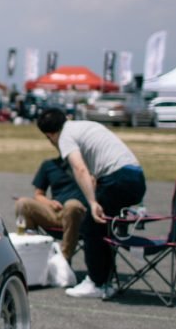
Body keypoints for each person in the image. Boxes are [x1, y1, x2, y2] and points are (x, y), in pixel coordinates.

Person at [36, 108, 145, 299]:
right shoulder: (83, 125)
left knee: (91, 225)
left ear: (50, 135)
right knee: (104, 228)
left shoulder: (64, 137)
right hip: (135, 177)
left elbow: (79, 168)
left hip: (118, 179)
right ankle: (106, 280)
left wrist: (93, 202)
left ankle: (96, 282)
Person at [13, 157, 86, 262]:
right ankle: (32, 255)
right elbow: (38, 195)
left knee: (72, 205)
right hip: (56, 213)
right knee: (22, 203)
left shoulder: (87, 165)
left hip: (80, 218)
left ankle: (63, 259)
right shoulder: (49, 165)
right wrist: (50, 203)